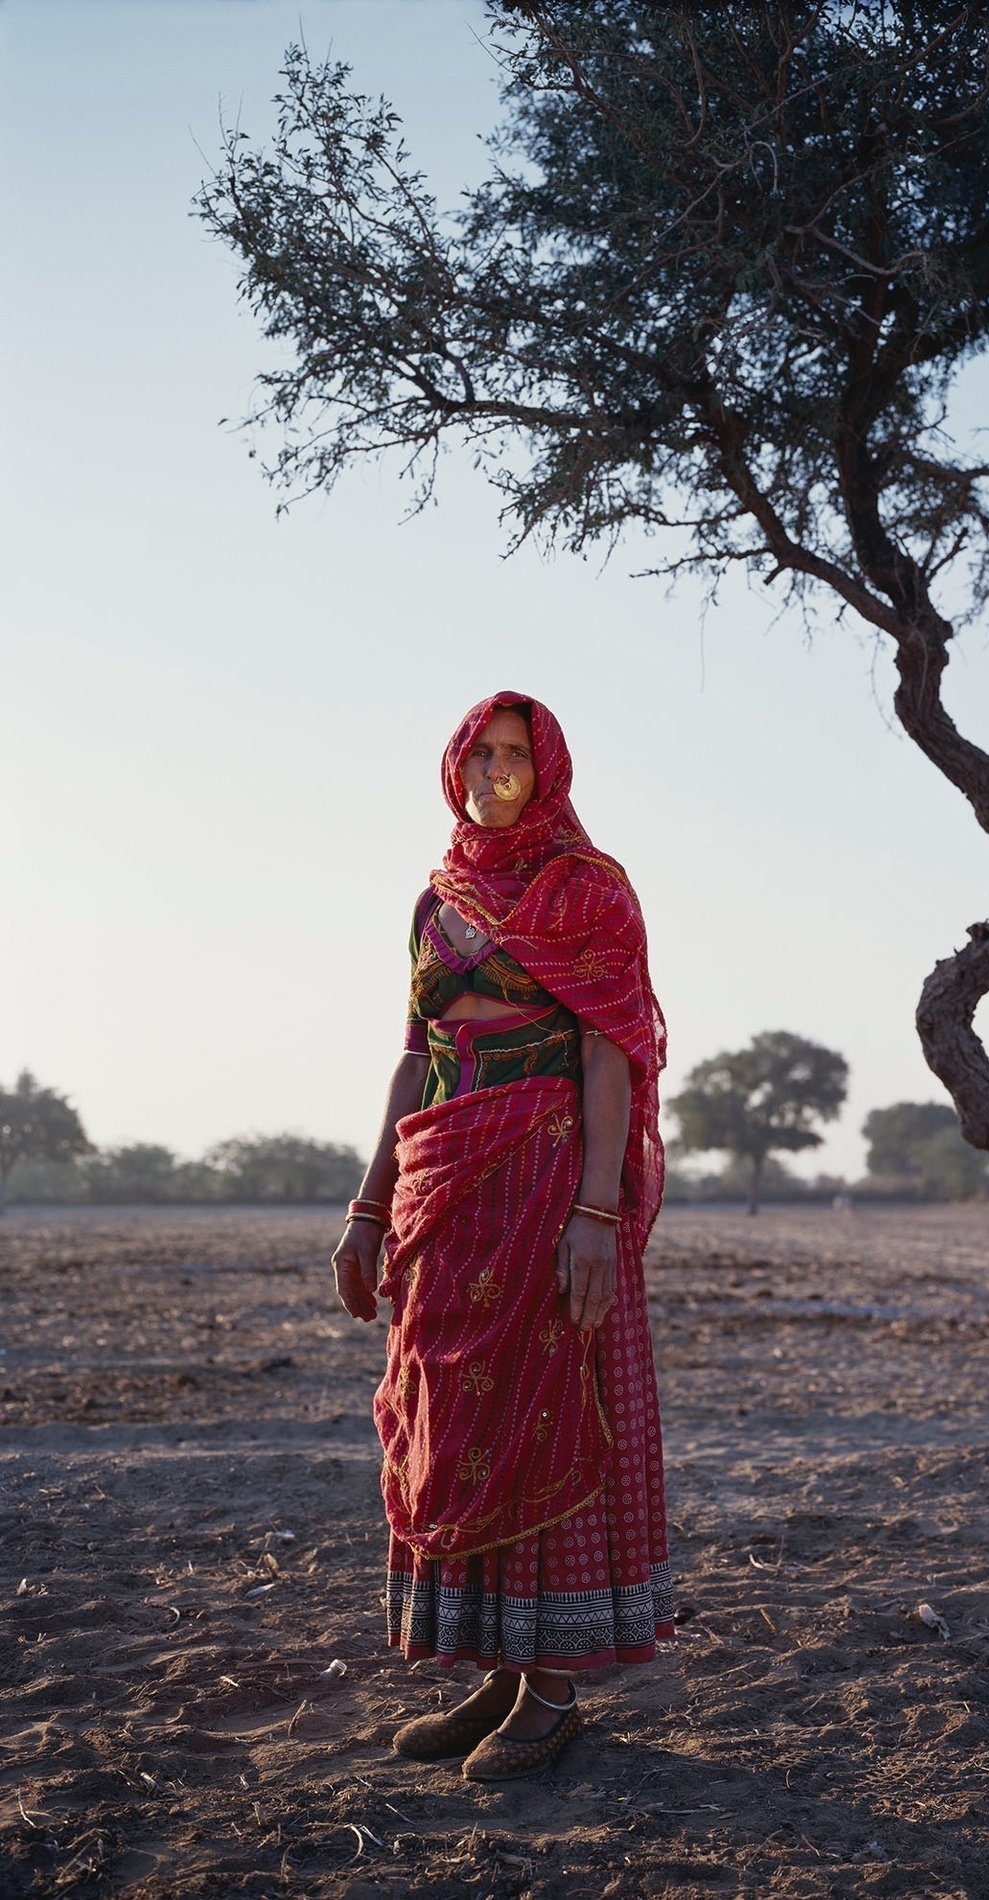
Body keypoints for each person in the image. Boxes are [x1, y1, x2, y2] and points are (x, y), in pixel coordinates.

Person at [330, 692, 672, 1781]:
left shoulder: (588, 889)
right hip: (446, 1188)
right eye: (478, 753)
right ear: (454, 764)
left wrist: (595, 1215)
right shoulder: (435, 901)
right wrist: (367, 1207)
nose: (492, 770)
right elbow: (411, 1055)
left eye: (514, 755)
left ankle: (555, 1689)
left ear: (548, 767)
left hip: (548, 1181)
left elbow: (611, 1053)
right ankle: (498, 1667)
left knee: (541, 1411)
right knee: (456, 1413)